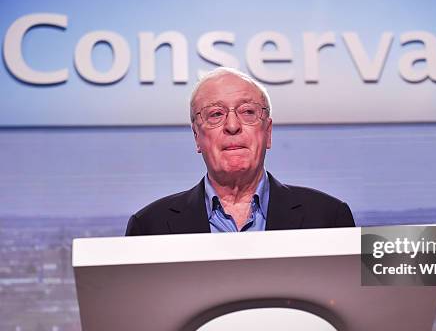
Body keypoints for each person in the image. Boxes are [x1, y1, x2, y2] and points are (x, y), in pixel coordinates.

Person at [125, 67, 355, 236]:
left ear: (268, 132)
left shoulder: (330, 216)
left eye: (247, 112)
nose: (232, 126)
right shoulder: (148, 226)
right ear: (197, 137)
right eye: (215, 114)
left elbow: (377, 293)